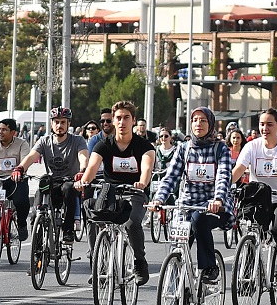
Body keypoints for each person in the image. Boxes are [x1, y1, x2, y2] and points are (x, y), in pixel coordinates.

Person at [151, 106, 234, 282]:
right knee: (177, 247)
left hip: (214, 207)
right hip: (186, 206)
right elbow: (171, 177)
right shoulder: (183, 148)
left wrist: (218, 199)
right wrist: (159, 198)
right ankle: (174, 292)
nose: (198, 124)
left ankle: (209, 267)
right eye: (195, 120)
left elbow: (223, 176)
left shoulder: (221, 149)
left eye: (203, 120)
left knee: (199, 220)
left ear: (210, 123)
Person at [77, 99, 156, 285]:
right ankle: (99, 264)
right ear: (113, 121)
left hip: (135, 193)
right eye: (118, 118)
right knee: (94, 217)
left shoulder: (145, 147)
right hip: (110, 192)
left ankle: (139, 262)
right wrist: (83, 182)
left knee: (131, 224)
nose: (122, 122)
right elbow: (92, 167)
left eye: (126, 118)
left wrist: (142, 183)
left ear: (133, 121)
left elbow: (146, 169)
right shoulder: (103, 145)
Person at [230, 107, 277, 281]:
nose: (265, 128)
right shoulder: (252, 146)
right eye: (262, 124)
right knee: (248, 229)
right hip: (259, 198)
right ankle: (250, 272)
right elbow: (239, 169)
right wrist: (223, 185)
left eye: (269, 124)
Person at [16, 106, 91, 239]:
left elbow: (83, 156)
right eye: (56, 122)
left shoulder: (77, 141)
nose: (59, 125)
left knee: (69, 188)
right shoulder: (44, 141)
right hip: (51, 181)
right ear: (51, 124)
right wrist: (20, 168)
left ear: (69, 124)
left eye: (63, 122)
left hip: (69, 181)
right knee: (38, 203)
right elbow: (31, 157)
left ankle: (68, 231)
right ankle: (37, 241)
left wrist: (83, 171)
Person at [0, 116, 30, 241]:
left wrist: (20, 171)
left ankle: (21, 224)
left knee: (21, 201)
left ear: (13, 133)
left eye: (4, 130)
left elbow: (26, 159)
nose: (0, 132)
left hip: (16, 179)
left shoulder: (22, 144)